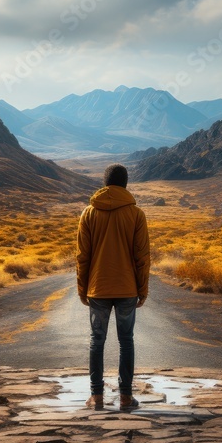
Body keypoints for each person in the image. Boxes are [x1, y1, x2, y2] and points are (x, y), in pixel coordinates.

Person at [76, 163, 150, 411]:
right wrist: (143, 289)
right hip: (128, 288)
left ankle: (96, 397)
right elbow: (142, 257)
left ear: (105, 183)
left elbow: (82, 256)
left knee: (97, 340)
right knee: (126, 341)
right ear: (126, 184)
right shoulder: (136, 214)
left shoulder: (89, 213)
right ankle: (126, 397)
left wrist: (82, 288)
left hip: (98, 288)